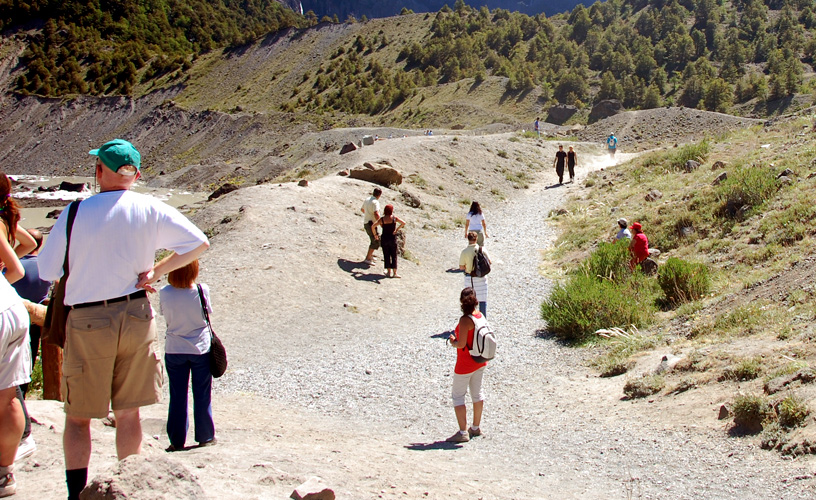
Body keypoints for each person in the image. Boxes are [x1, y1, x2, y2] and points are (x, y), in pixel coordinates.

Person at [38, 139, 209, 500]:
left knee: (79, 416)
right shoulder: (150, 207)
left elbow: (48, 270)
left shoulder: (74, 213)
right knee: (129, 413)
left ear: (99, 170)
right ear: (136, 174)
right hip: (136, 314)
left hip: (88, 318)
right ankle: (128, 487)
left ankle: (76, 493)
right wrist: (157, 271)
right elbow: (198, 243)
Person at [159, 260, 215, 452]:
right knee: (202, 393)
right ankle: (205, 435)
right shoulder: (201, 290)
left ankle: (176, 440)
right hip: (200, 348)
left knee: (177, 396)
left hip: (174, 348)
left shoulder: (165, 293)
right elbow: (207, 314)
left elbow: (164, 315)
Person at [0, 174, 31, 498]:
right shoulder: (6, 217)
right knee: (7, 396)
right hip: (11, 308)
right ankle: (5, 475)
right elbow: (28, 247)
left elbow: (18, 269)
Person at [11, 228, 50, 463]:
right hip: (39, 319)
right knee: (27, 360)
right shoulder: (44, 266)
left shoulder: (13, 264)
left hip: (16, 315)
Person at [445, 287, 487, 443]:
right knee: (477, 393)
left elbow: (461, 344)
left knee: (458, 396)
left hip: (465, 363)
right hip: (480, 360)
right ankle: (475, 427)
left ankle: (463, 432)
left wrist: (452, 341)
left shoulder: (465, 320)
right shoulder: (480, 316)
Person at [459, 231, 490, 317]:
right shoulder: (482, 249)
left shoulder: (464, 252)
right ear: (476, 239)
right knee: (482, 300)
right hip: (481, 277)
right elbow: (489, 262)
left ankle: (470, 319)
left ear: (468, 239)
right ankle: (483, 320)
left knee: (469, 300)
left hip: (470, 278)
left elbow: (461, 267)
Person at [371, 204, 405, 278]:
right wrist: (396, 230)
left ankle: (388, 272)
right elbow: (403, 223)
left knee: (386, 255)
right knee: (394, 255)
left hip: (385, 238)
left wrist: (375, 235)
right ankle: (395, 273)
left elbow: (373, 226)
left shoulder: (382, 219)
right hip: (392, 238)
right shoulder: (394, 218)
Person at [360, 187, 382, 265]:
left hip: (366, 222)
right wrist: (380, 222)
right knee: (375, 240)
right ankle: (368, 258)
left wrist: (368, 214)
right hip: (371, 224)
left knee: (373, 239)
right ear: (379, 195)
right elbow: (376, 213)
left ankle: (370, 255)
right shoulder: (375, 202)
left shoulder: (367, 199)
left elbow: (362, 210)